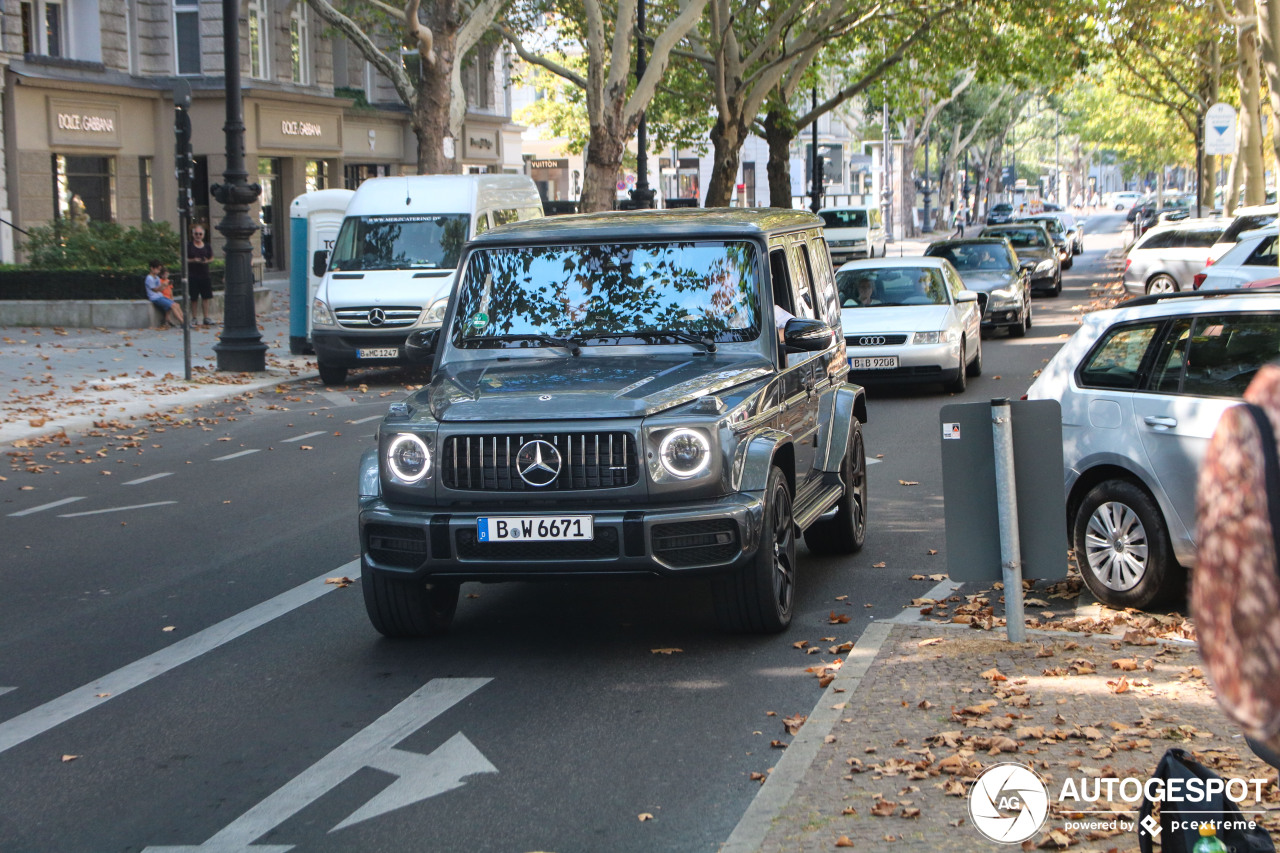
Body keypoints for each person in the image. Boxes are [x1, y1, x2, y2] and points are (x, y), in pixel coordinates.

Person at [187, 225, 215, 326]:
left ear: (203, 235)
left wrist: (207, 261)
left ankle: (206, 317)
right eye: (196, 234)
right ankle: (194, 318)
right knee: (194, 298)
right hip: (193, 275)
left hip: (205, 274)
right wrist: (193, 260)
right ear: (193, 234)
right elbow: (183, 259)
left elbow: (212, 258)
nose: (198, 236)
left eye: (200, 234)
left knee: (205, 297)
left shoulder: (207, 246)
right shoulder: (189, 246)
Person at [145, 260, 184, 328]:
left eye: (159, 270)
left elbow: (160, 290)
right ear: (152, 268)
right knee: (173, 305)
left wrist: (165, 285)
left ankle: (183, 320)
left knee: (177, 305)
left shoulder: (157, 278)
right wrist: (163, 285)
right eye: (157, 269)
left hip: (160, 296)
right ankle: (182, 322)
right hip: (155, 298)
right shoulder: (149, 278)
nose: (159, 271)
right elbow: (155, 290)